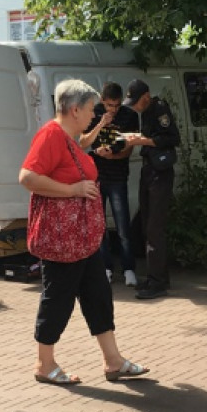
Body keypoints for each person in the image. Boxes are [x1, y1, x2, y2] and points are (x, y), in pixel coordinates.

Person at [18, 79, 149, 385]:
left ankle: (113, 361)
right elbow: (27, 177)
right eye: (91, 109)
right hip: (63, 239)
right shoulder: (51, 134)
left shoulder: (67, 135)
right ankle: (44, 364)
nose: (94, 115)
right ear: (74, 109)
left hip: (81, 238)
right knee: (58, 298)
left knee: (98, 295)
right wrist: (72, 189)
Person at [124, 79, 181, 300]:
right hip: (149, 170)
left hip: (161, 173)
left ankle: (157, 283)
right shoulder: (146, 112)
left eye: (136, 102)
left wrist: (143, 141)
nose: (134, 106)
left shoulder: (159, 109)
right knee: (147, 225)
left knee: (154, 228)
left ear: (146, 97)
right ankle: (157, 276)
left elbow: (172, 138)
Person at [80, 81, 140, 286]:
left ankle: (129, 269)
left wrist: (111, 156)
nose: (113, 110)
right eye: (109, 105)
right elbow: (83, 142)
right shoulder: (93, 113)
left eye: (116, 105)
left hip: (117, 177)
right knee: (99, 226)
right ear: (102, 101)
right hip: (96, 177)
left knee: (122, 226)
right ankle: (105, 267)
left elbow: (129, 147)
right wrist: (100, 124)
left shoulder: (129, 116)